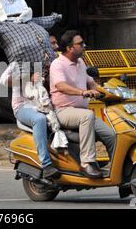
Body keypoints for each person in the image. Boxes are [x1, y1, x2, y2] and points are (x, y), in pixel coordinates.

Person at [49, 31, 116, 178]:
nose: (84, 46)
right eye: (80, 44)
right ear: (69, 48)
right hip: (63, 111)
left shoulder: (81, 62)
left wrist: (105, 91)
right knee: (87, 116)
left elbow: (91, 83)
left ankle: (116, 168)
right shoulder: (57, 64)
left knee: (111, 135)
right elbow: (60, 86)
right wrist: (82, 92)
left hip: (82, 112)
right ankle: (87, 163)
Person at [0, 62, 60, 179]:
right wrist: (28, 77)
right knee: (39, 119)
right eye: (53, 43)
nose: (56, 46)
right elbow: (3, 80)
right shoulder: (16, 64)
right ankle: (46, 164)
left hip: (44, 104)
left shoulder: (48, 62)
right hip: (23, 106)